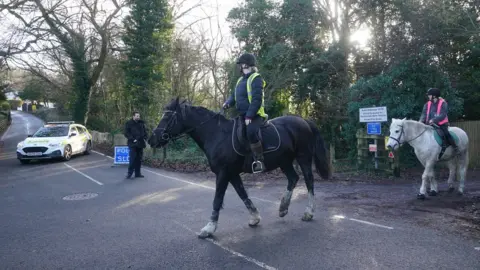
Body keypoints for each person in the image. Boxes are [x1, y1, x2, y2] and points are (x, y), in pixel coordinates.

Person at [223, 53, 267, 173]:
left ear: (246, 64)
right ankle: (242, 161)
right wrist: (227, 103)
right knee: (235, 132)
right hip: (242, 114)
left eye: (241, 65)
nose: (240, 67)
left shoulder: (256, 78)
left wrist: (250, 115)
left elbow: (257, 100)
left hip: (255, 115)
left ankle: (259, 160)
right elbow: (234, 95)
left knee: (251, 132)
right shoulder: (240, 80)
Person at [419, 87, 460, 155]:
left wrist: (434, 120)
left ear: (434, 96)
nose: (428, 96)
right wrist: (420, 121)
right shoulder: (427, 104)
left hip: (442, 123)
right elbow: (424, 114)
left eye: (429, 95)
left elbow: (443, 114)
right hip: (429, 124)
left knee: (446, 133)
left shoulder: (443, 103)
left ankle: (455, 147)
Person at [124, 111, 148, 179]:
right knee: (132, 159)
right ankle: (129, 173)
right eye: (137, 116)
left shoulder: (141, 123)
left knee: (139, 160)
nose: (138, 117)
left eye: (139, 116)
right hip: (133, 144)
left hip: (140, 144)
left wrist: (146, 138)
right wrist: (132, 139)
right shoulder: (129, 123)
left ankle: (138, 173)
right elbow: (126, 133)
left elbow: (145, 132)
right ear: (133, 116)